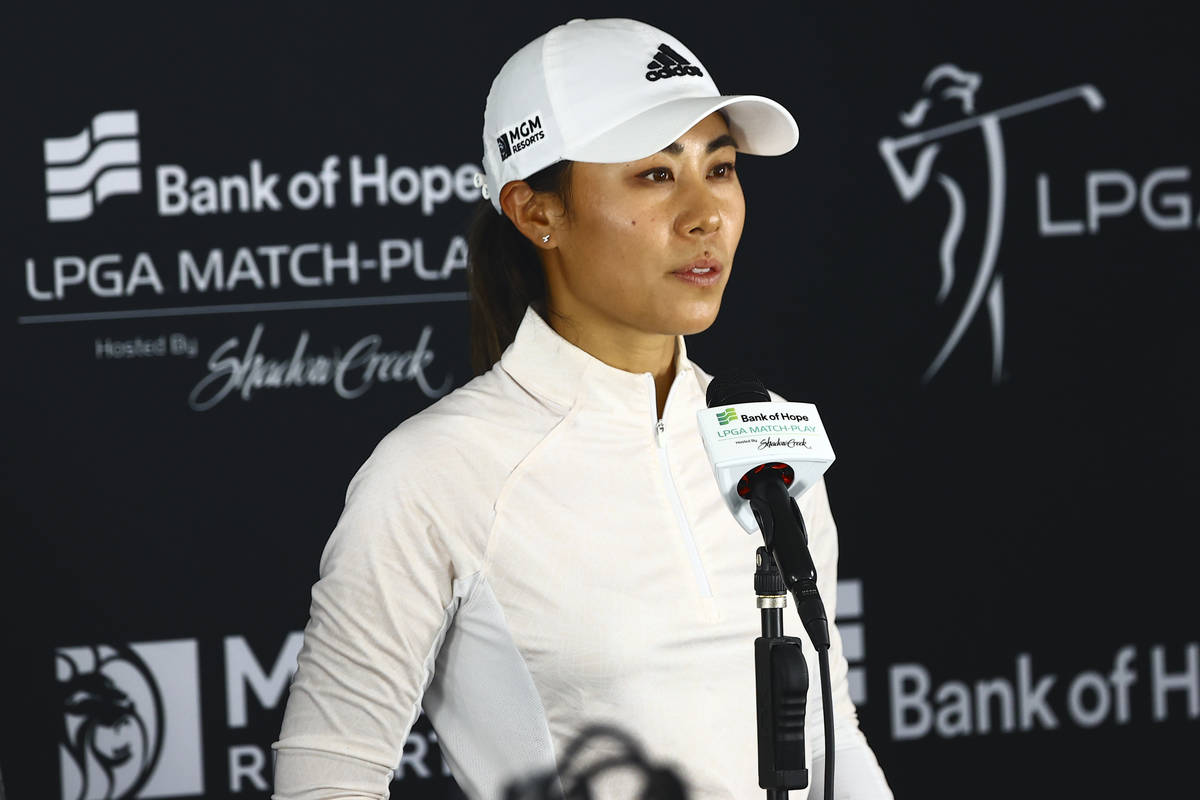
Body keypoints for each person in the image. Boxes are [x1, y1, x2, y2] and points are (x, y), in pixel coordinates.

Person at [273, 17, 893, 800]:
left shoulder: (767, 436)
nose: (708, 214)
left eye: (723, 167)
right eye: (656, 175)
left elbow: (827, 738)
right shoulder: (435, 471)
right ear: (538, 213)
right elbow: (327, 777)